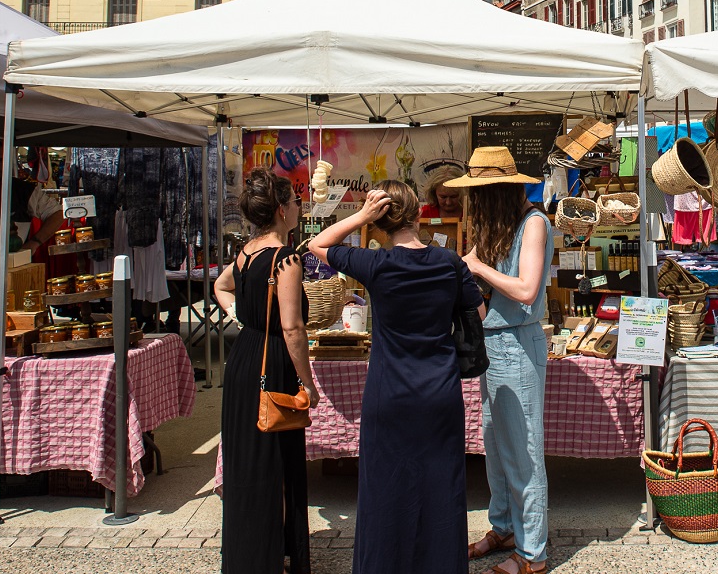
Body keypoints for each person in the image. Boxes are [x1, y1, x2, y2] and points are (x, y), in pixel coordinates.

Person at [306, 179, 481, 574]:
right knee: (441, 489)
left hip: (389, 395)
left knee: (385, 491)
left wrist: (361, 216)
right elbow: (479, 316)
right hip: (439, 392)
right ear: (419, 212)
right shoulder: (449, 261)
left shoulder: (376, 264)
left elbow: (317, 246)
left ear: (381, 222)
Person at [447, 147, 553, 574]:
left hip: (517, 344)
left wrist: (476, 266)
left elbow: (526, 289)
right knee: (496, 446)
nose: (474, 202)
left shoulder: (534, 223)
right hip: (494, 344)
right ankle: (505, 527)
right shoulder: (501, 225)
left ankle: (532, 555)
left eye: (479, 193)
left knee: (524, 452)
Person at [214, 169, 318, 574]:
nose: (298, 207)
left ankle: (249, 556)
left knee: (248, 465)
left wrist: (241, 317)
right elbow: (293, 328)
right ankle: (271, 557)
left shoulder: (245, 253)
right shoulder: (284, 258)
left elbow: (221, 287)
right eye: (294, 201)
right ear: (280, 209)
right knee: (274, 464)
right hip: (271, 362)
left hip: (245, 358)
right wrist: (308, 383)